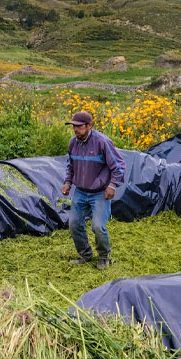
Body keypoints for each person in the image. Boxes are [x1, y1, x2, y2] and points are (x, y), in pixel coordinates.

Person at [61, 111, 126, 270]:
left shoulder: (102, 142)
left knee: (97, 226)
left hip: (99, 192)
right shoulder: (73, 143)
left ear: (89, 126)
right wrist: (68, 182)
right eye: (73, 126)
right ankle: (85, 254)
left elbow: (119, 166)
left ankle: (104, 257)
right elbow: (71, 165)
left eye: (79, 126)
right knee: (74, 224)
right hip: (81, 191)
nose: (75, 129)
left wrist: (112, 186)